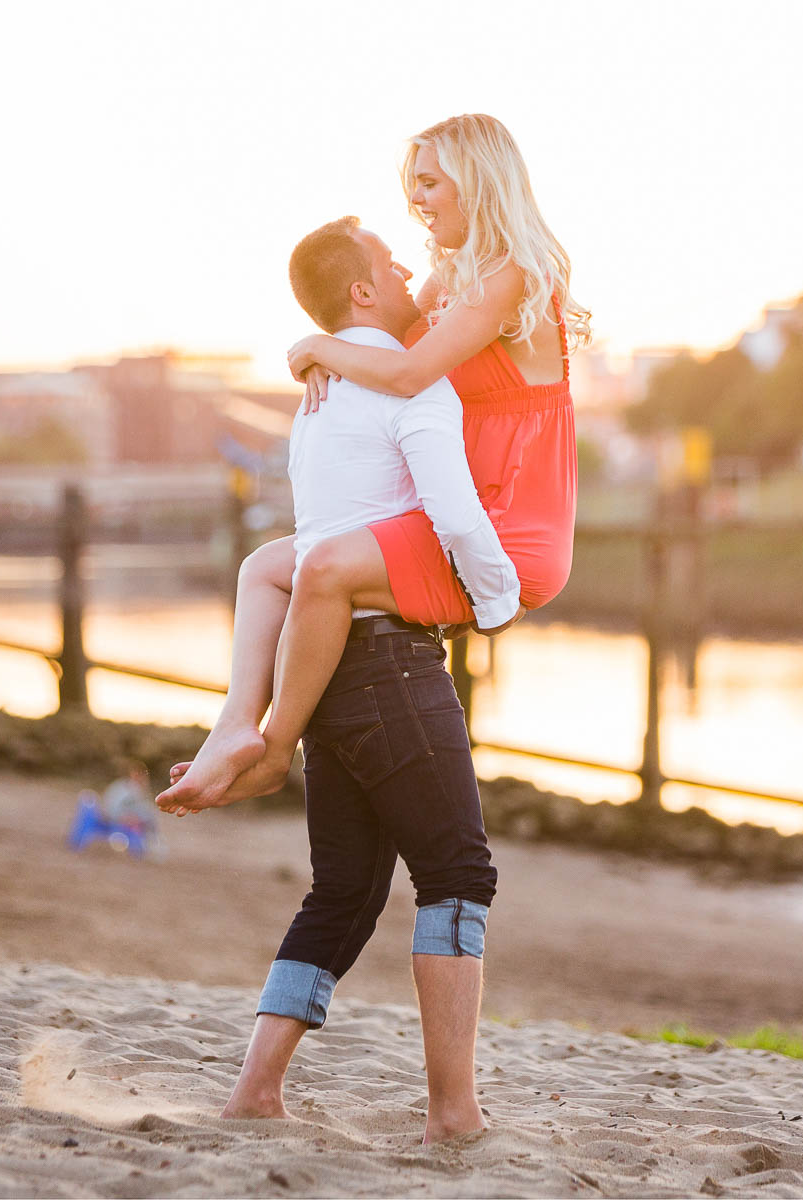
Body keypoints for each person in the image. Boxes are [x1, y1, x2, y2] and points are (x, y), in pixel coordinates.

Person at [154, 112, 590, 816]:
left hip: (504, 529)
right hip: (448, 513)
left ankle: (272, 754)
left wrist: (318, 350)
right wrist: (321, 351)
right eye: (412, 185)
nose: (416, 200)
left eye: (428, 183)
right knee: (266, 569)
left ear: (476, 183)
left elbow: (409, 371)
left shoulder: (511, 275)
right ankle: (234, 725)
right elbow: (374, 331)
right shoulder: (449, 279)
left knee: (323, 569)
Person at [188, 216, 512, 1142]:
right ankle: (455, 1114)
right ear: (364, 291)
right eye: (394, 259)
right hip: (387, 660)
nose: (412, 269)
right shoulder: (412, 388)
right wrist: (499, 595)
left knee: (344, 891)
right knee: (457, 876)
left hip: (321, 665)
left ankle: (256, 1090)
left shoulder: (320, 397)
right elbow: (449, 507)